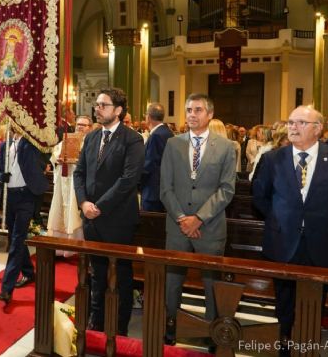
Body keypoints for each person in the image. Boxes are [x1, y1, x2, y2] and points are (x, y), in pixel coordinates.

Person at [251, 106, 328, 345]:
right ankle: (285, 345)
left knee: (315, 306)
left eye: (300, 122)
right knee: (284, 305)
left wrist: (326, 223)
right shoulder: (273, 158)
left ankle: (309, 346)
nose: (292, 127)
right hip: (283, 242)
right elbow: (259, 196)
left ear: (318, 128)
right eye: (290, 122)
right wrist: (280, 218)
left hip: (322, 244)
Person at [159, 94, 236, 345]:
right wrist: (183, 218)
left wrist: (198, 219)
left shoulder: (225, 146)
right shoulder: (173, 144)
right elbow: (165, 188)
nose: (192, 114)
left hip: (210, 227)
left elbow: (226, 189)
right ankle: (171, 326)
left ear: (210, 114)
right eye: (189, 109)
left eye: (198, 110)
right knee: (172, 281)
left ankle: (212, 332)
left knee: (211, 283)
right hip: (177, 224)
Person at [74, 87, 144, 336]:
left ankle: (119, 329)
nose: (97, 109)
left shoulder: (132, 139)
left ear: (117, 110)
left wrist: (99, 206)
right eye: (97, 105)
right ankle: (96, 324)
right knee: (97, 274)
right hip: (91, 217)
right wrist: (83, 203)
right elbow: (79, 172)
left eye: (103, 105)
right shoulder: (92, 138)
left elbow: (128, 180)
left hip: (118, 220)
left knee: (122, 277)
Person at [0, 130, 48, 304]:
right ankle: (28, 272)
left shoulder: (30, 144)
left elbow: (41, 160)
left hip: (26, 197)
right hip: (9, 196)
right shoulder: (4, 145)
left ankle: (6, 288)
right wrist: (1, 176)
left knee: (16, 241)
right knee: (15, 237)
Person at [47, 115, 93, 256]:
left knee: (74, 211)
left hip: (77, 184)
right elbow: (54, 155)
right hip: (64, 181)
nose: (80, 127)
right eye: (78, 124)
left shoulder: (90, 143)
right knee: (60, 210)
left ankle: (77, 247)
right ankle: (60, 248)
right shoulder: (67, 139)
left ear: (89, 128)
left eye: (83, 125)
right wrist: (58, 159)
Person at [140, 103, 173, 212]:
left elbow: (149, 165)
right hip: (164, 190)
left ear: (148, 117)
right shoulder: (168, 132)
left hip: (152, 192)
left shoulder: (156, 136)